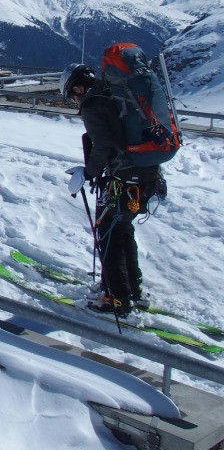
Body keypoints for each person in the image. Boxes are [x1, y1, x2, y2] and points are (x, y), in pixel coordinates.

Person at [60, 63, 163, 315]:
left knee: (107, 235)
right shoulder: (115, 94)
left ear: (79, 86)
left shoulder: (93, 103)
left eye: (72, 95)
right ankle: (131, 289)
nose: (75, 101)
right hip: (147, 175)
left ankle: (115, 298)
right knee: (122, 229)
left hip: (123, 179)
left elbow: (103, 144)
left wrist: (89, 172)